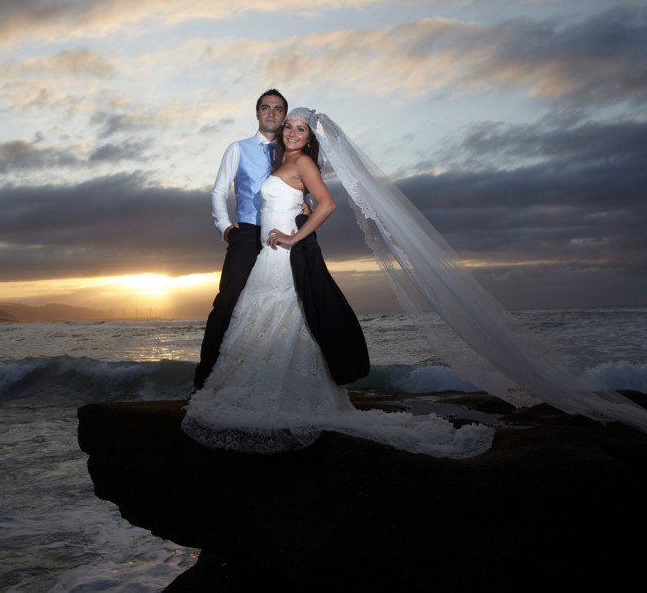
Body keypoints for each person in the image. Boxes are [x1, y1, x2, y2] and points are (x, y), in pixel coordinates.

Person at [182, 108, 496, 459]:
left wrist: (294, 235)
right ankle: (271, 389)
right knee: (264, 321)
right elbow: (304, 201)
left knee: (287, 319)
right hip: (268, 259)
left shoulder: (303, 163)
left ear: (310, 137)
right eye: (289, 127)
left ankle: (288, 395)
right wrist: (299, 207)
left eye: (301, 129)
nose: (292, 133)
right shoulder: (283, 162)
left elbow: (327, 204)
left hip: (284, 257)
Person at [194, 89, 289, 391]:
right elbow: (219, 191)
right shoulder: (238, 148)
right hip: (246, 233)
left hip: (281, 236)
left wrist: (305, 206)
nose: (271, 113)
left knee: (278, 306)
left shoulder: (292, 153)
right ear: (258, 113)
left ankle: (265, 380)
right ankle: (205, 381)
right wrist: (225, 227)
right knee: (227, 302)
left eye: (277, 109)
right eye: (266, 107)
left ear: (284, 115)